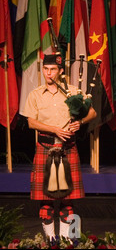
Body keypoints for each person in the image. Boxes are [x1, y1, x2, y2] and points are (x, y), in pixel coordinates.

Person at [22, 53, 97, 240]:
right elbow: (31, 122)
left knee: (67, 199)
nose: (49, 73)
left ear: (60, 71)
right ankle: (50, 241)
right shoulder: (35, 94)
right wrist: (54, 129)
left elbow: (93, 112)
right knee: (45, 200)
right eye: (46, 69)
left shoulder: (72, 93)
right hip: (45, 148)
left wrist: (80, 122)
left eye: (53, 69)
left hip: (68, 149)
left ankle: (65, 240)